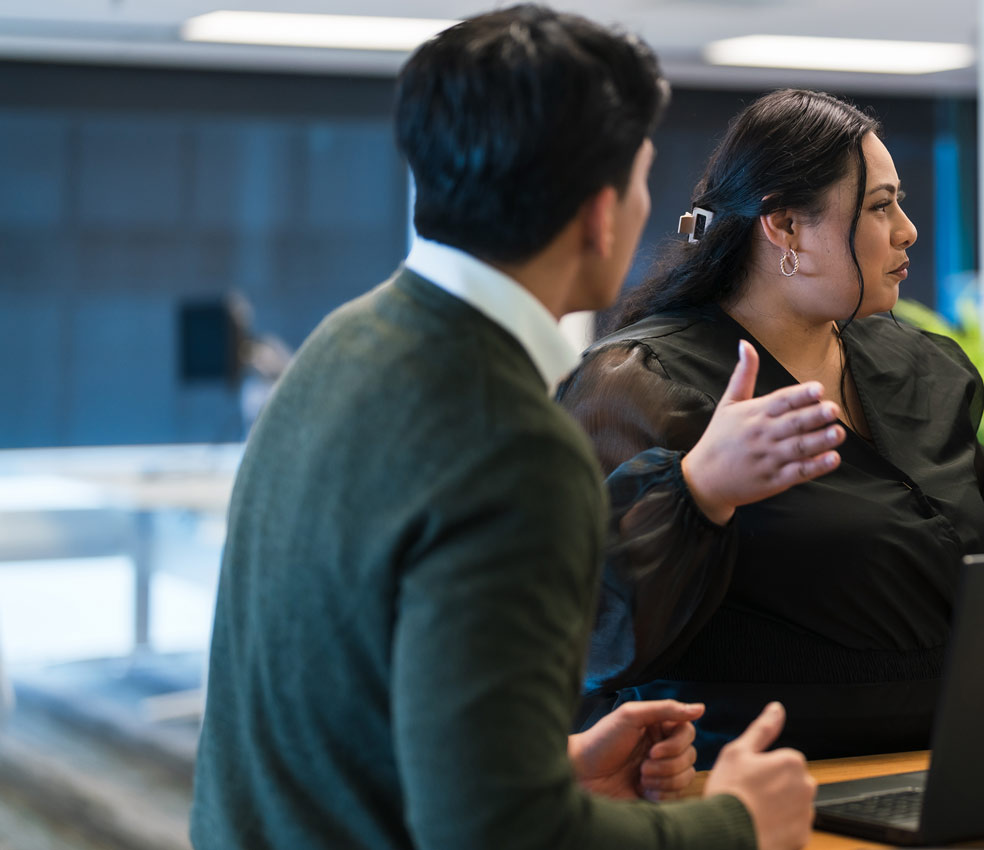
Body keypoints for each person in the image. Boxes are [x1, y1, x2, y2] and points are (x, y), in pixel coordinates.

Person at [190, 8, 814, 849]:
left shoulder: (340, 343)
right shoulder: (514, 442)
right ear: (600, 215)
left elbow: (345, 716)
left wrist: (543, 766)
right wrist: (737, 824)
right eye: (640, 182)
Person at [557, 88, 984, 765]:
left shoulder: (917, 365)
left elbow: (963, 569)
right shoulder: (640, 384)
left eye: (898, 202)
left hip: (948, 762)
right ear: (784, 228)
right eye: (879, 207)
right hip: (762, 780)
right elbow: (586, 635)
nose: (906, 230)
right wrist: (697, 492)